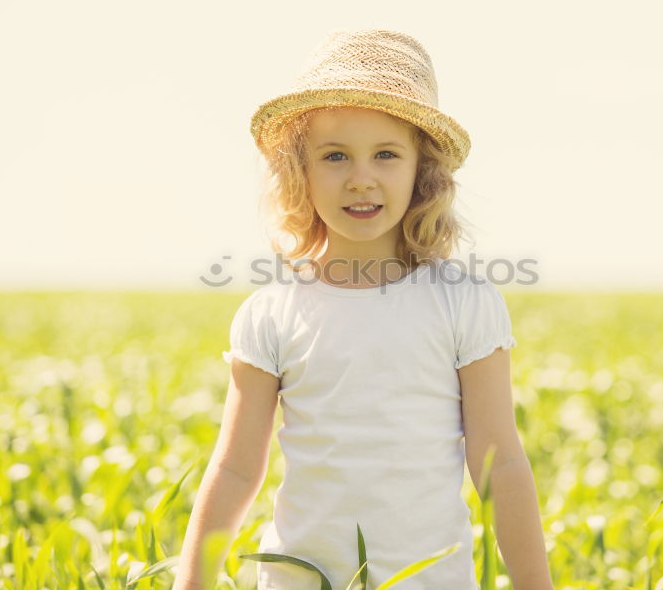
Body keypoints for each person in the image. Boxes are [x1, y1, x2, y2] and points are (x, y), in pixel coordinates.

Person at [172, 29, 553, 590]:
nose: (361, 177)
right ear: (299, 170)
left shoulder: (464, 302)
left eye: (385, 154)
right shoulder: (271, 312)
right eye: (334, 156)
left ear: (422, 171)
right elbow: (233, 469)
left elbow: (501, 466)